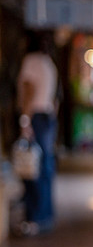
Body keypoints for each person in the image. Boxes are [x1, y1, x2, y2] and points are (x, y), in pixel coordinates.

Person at [15, 31, 59, 236]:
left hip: (36, 117)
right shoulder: (48, 62)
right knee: (45, 167)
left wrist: (25, 119)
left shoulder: (31, 61)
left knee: (33, 168)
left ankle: (33, 217)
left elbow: (29, 89)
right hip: (48, 117)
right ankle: (45, 215)